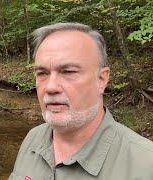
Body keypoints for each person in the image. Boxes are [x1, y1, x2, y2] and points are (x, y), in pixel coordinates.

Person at [9, 22, 153, 180]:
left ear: (102, 79)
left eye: (68, 72)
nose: (50, 87)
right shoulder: (33, 138)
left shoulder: (145, 164)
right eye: (42, 73)